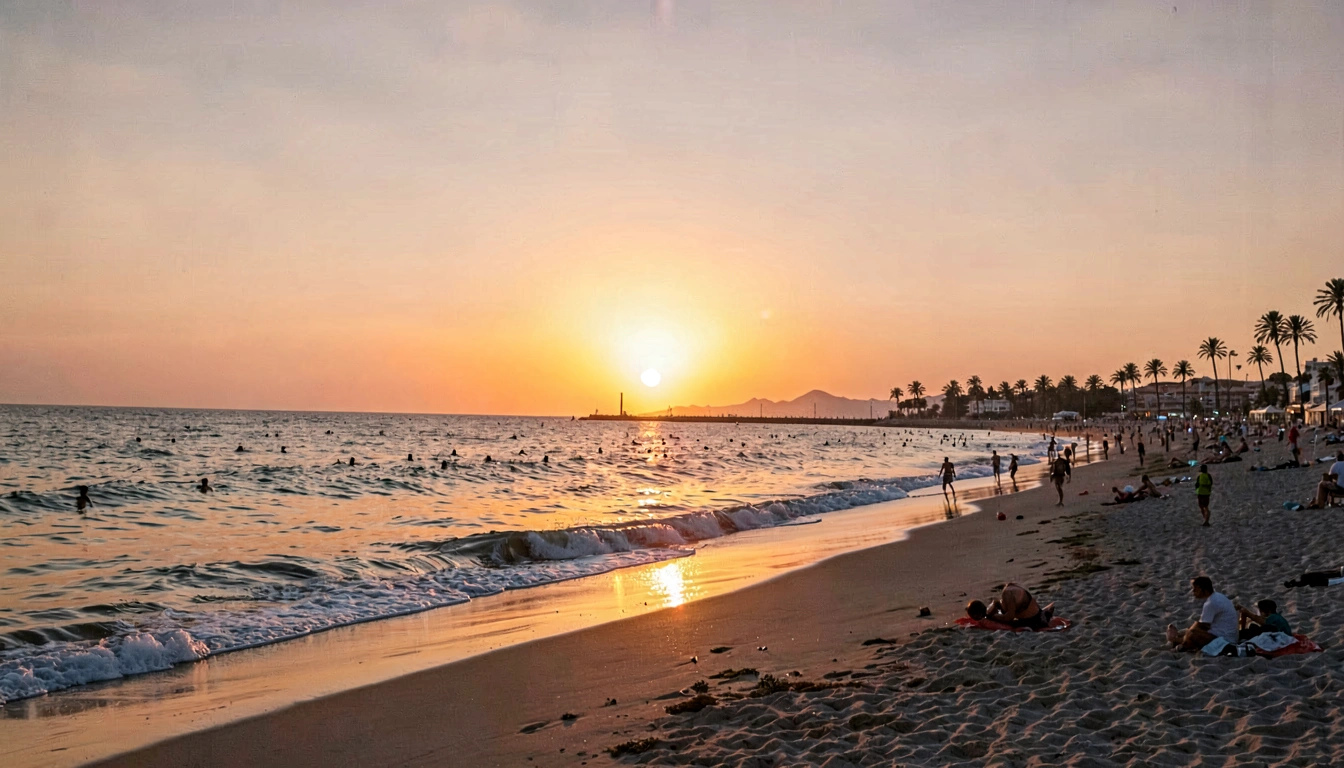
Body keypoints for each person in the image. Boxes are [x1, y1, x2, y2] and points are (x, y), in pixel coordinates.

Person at [1166, 576, 1238, 651]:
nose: (1193, 592)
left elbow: (1202, 626)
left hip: (1225, 639)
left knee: (1193, 633)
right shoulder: (1218, 596)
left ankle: (1176, 641)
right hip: (1228, 635)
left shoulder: (1211, 603)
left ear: (1203, 589)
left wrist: (1189, 632)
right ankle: (1179, 637)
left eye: (1196, 589)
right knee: (1192, 629)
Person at [965, 582, 1051, 629]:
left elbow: (1009, 617)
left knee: (1013, 622)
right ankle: (1041, 615)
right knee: (1000, 605)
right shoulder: (1011, 587)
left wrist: (993, 617)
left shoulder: (1007, 594)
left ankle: (1040, 619)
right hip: (1034, 609)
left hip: (1031, 618)